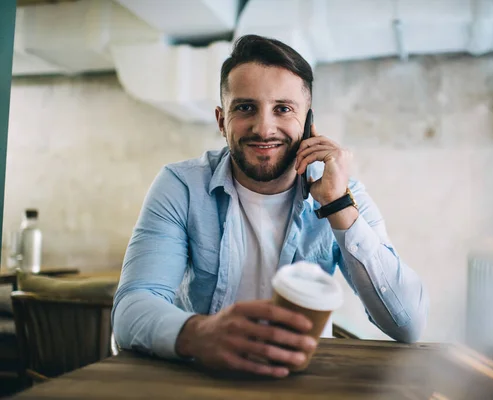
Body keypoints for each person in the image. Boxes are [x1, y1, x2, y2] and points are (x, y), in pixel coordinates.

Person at [112, 34, 428, 378]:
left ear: (308, 123)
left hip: (300, 384)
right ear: (221, 121)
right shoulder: (181, 186)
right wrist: (201, 334)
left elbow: (408, 325)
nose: (264, 128)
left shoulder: (342, 191)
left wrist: (337, 205)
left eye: (283, 109)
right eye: (245, 107)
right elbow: (131, 308)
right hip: (202, 379)